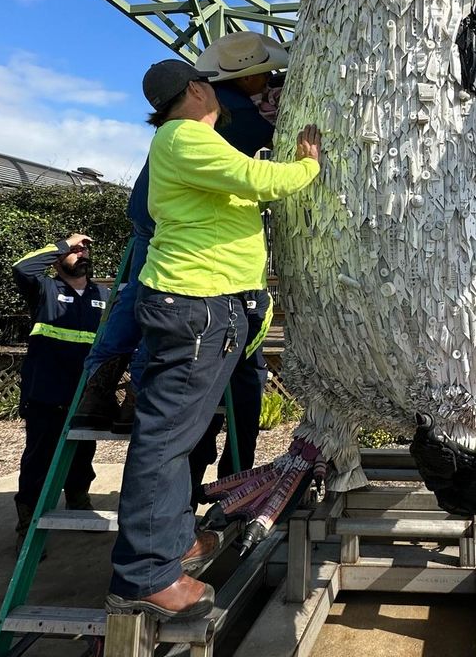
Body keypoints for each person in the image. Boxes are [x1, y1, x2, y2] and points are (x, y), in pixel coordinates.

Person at [106, 57, 320, 621]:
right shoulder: (186, 137)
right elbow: (260, 182)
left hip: (204, 304)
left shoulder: (187, 143)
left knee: (178, 436)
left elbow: (239, 194)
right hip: (197, 303)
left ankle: (174, 543)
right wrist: (308, 165)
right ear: (198, 90)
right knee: (166, 441)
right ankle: (144, 576)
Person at [73, 33, 289, 492]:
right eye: (265, 73)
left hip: (150, 215)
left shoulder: (193, 113)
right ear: (243, 77)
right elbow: (261, 170)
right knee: (165, 307)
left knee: (134, 297)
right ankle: (140, 394)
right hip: (182, 234)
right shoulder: (229, 111)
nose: (271, 78)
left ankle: (100, 388)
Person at [12, 234, 110, 547]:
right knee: (39, 458)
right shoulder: (45, 289)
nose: (82, 254)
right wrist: (65, 243)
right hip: (46, 391)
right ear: (57, 260)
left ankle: (78, 501)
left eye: (85, 250)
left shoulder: (104, 295)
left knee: (83, 453)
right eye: (74, 251)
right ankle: (28, 524)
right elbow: (23, 268)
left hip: (87, 394)